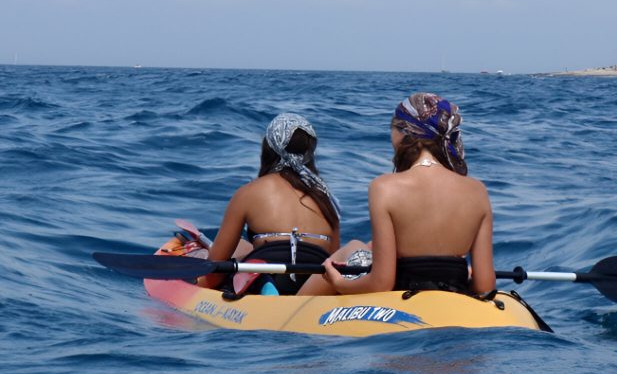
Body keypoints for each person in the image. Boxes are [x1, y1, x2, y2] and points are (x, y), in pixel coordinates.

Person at [299, 92, 495, 296]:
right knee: (366, 246)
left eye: (392, 128)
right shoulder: (477, 190)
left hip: (403, 296)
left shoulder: (384, 187)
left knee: (355, 248)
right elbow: (484, 285)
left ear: (405, 131)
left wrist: (338, 282)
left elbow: (381, 283)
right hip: (457, 295)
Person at [200, 113, 341, 294]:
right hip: (315, 283)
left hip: (270, 280)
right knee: (245, 248)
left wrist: (191, 284)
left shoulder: (248, 192)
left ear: (269, 148)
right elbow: (333, 257)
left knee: (237, 257)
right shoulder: (326, 198)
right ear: (310, 152)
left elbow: (216, 269)